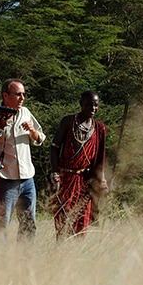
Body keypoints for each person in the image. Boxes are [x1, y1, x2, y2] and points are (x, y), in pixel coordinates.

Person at [0, 79, 45, 242]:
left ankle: (24, 261)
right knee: (1, 224)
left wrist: (32, 131)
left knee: (28, 223)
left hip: (27, 179)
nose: (22, 98)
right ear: (5, 95)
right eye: (18, 94)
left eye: (23, 94)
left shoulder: (26, 112)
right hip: (5, 179)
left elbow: (40, 138)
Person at [50, 90, 108, 240]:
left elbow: (100, 159)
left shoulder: (99, 129)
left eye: (96, 106)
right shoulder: (68, 122)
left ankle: (76, 256)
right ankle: (60, 253)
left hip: (85, 181)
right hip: (66, 178)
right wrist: (55, 174)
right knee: (63, 219)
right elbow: (54, 147)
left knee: (81, 221)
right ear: (81, 104)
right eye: (89, 105)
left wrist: (101, 181)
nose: (93, 109)